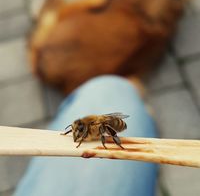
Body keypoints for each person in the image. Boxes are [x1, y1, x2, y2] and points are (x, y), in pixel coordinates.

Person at [14, 75, 158, 196]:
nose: (76, 132)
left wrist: (106, 144)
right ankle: (144, 112)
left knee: (109, 94)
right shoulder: (85, 123)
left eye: (78, 130)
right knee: (113, 87)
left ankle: (140, 118)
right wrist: (67, 134)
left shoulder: (94, 124)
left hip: (114, 123)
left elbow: (102, 127)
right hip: (112, 86)